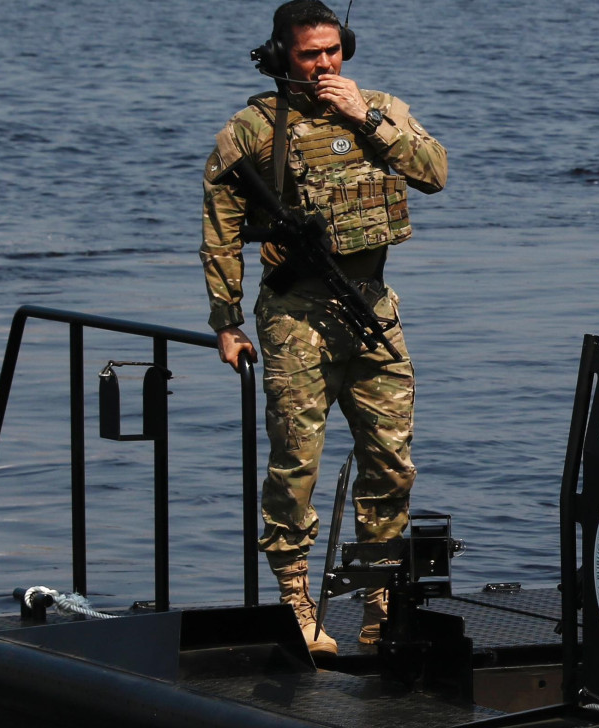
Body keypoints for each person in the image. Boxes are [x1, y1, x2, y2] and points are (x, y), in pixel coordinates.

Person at [200, 0, 447, 656]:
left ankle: (378, 601)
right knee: (296, 467)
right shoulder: (253, 130)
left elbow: (434, 172)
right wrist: (226, 322)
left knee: (392, 464)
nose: (325, 64)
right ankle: (295, 602)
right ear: (283, 56)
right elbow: (220, 233)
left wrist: (361, 114)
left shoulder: (377, 110)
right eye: (310, 54)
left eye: (333, 51)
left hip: (373, 311)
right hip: (295, 317)